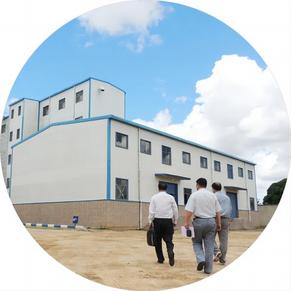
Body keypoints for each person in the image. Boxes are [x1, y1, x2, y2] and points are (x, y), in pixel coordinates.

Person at [184, 178, 221, 274]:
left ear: (197, 185)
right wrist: (219, 224)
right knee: (209, 246)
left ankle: (201, 259)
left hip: (198, 222)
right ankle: (208, 269)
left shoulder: (194, 195)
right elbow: (218, 212)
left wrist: (186, 222)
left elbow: (189, 211)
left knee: (196, 242)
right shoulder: (212, 196)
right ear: (206, 185)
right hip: (211, 222)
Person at [148, 182, 179, 266]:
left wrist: (150, 221)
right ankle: (170, 251)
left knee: (157, 241)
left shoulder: (154, 197)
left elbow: (151, 211)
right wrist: (175, 221)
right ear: (166, 188)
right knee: (169, 239)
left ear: (158, 188)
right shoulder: (171, 197)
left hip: (157, 221)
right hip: (168, 221)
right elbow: (175, 210)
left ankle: (160, 259)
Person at [212, 182, 232, 265]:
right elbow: (230, 208)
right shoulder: (227, 197)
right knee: (224, 240)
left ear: (213, 188)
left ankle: (217, 252)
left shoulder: (213, 196)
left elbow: (213, 208)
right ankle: (222, 258)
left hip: (215, 218)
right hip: (226, 219)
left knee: (209, 236)